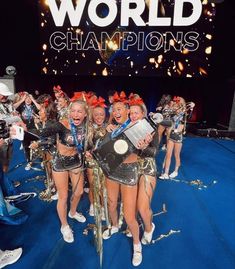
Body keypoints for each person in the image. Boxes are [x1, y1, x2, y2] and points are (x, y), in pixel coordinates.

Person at [101, 91, 142, 266]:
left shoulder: (136, 126)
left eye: (119, 109)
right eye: (113, 110)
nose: (116, 112)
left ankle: (137, 244)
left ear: (127, 110)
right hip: (112, 171)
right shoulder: (113, 128)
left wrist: (143, 145)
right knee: (111, 203)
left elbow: (144, 150)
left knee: (130, 215)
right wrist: (105, 132)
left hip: (128, 172)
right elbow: (104, 149)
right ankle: (115, 226)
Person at [128, 95, 158, 245]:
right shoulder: (126, 128)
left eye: (136, 113)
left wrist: (145, 147)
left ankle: (148, 227)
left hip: (147, 169)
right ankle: (134, 227)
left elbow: (155, 152)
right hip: (131, 171)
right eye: (131, 113)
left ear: (143, 114)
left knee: (142, 207)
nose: (133, 116)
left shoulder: (151, 129)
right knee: (131, 205)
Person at [159, 96, 195, 179]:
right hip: (171, 135)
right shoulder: (173, 113)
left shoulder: (184, 115)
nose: (177, 109)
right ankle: (165, 173)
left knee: (176, 155)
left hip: (178, 137)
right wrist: (166, 108)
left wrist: (192, 108)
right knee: (168, 154)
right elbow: (166, 114)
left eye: (179, 104)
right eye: (177, 105)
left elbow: (189, 117)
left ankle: (175, 171)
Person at [85, 96, 107, 218]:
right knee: (93, 185)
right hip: (91, 161)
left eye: (101, 115)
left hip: (104, 162)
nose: (99, 117)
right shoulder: (88, 128)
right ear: (92, 115)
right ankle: (93, 204)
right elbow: (84, 146)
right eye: (96, 115)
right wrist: (86, 152)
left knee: (103, 187)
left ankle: (103, 207)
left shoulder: (108, 128)